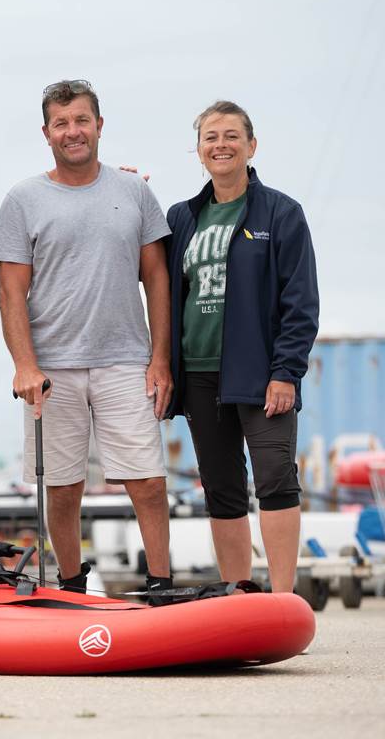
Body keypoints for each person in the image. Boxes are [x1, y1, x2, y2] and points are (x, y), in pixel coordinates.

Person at [0, 79, 173, 600]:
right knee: (62, 489)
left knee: (148, 482)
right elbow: (10, 292)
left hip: (126, 359)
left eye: (82, 120)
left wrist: (160, 359)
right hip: (52, 368)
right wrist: (24, 365)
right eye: (62, 123)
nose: (73, 132)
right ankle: (70, 586)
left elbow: (156, 278)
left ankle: (161, 584)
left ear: (99, 125)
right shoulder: (22, 199)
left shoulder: (135, 191)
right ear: (46, 133)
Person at [164, 100, 319, 593]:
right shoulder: (181, 218)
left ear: (251, 146)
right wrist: (126, 193)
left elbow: (301, 302)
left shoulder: (281, 213)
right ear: (199, 151)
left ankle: (281, 598)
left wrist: (286, 372)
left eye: (231, 135)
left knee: (275, 480)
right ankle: (239, 596)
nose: (221, 145)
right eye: (210, 137)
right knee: (223, 489)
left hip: (261, 374)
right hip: (200, 373)